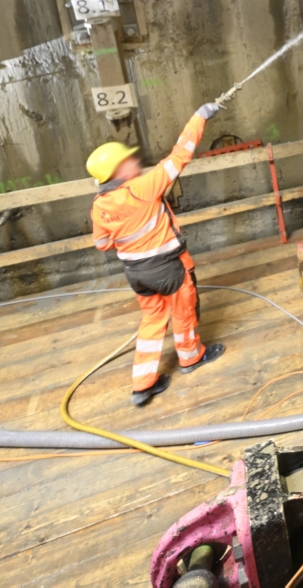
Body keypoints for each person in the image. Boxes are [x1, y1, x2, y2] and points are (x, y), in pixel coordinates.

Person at [87, 103, 228, 406]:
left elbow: (102, 244)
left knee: (152, 321)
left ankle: (143, 385)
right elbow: (180, 155)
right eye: (128, 161)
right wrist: (199, 116)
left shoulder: (99, 206)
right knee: (183, 312)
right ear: (118, 170)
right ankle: (191, 359)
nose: (134, 163)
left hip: (136, 275)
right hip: (167, 270)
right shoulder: (142, 188)